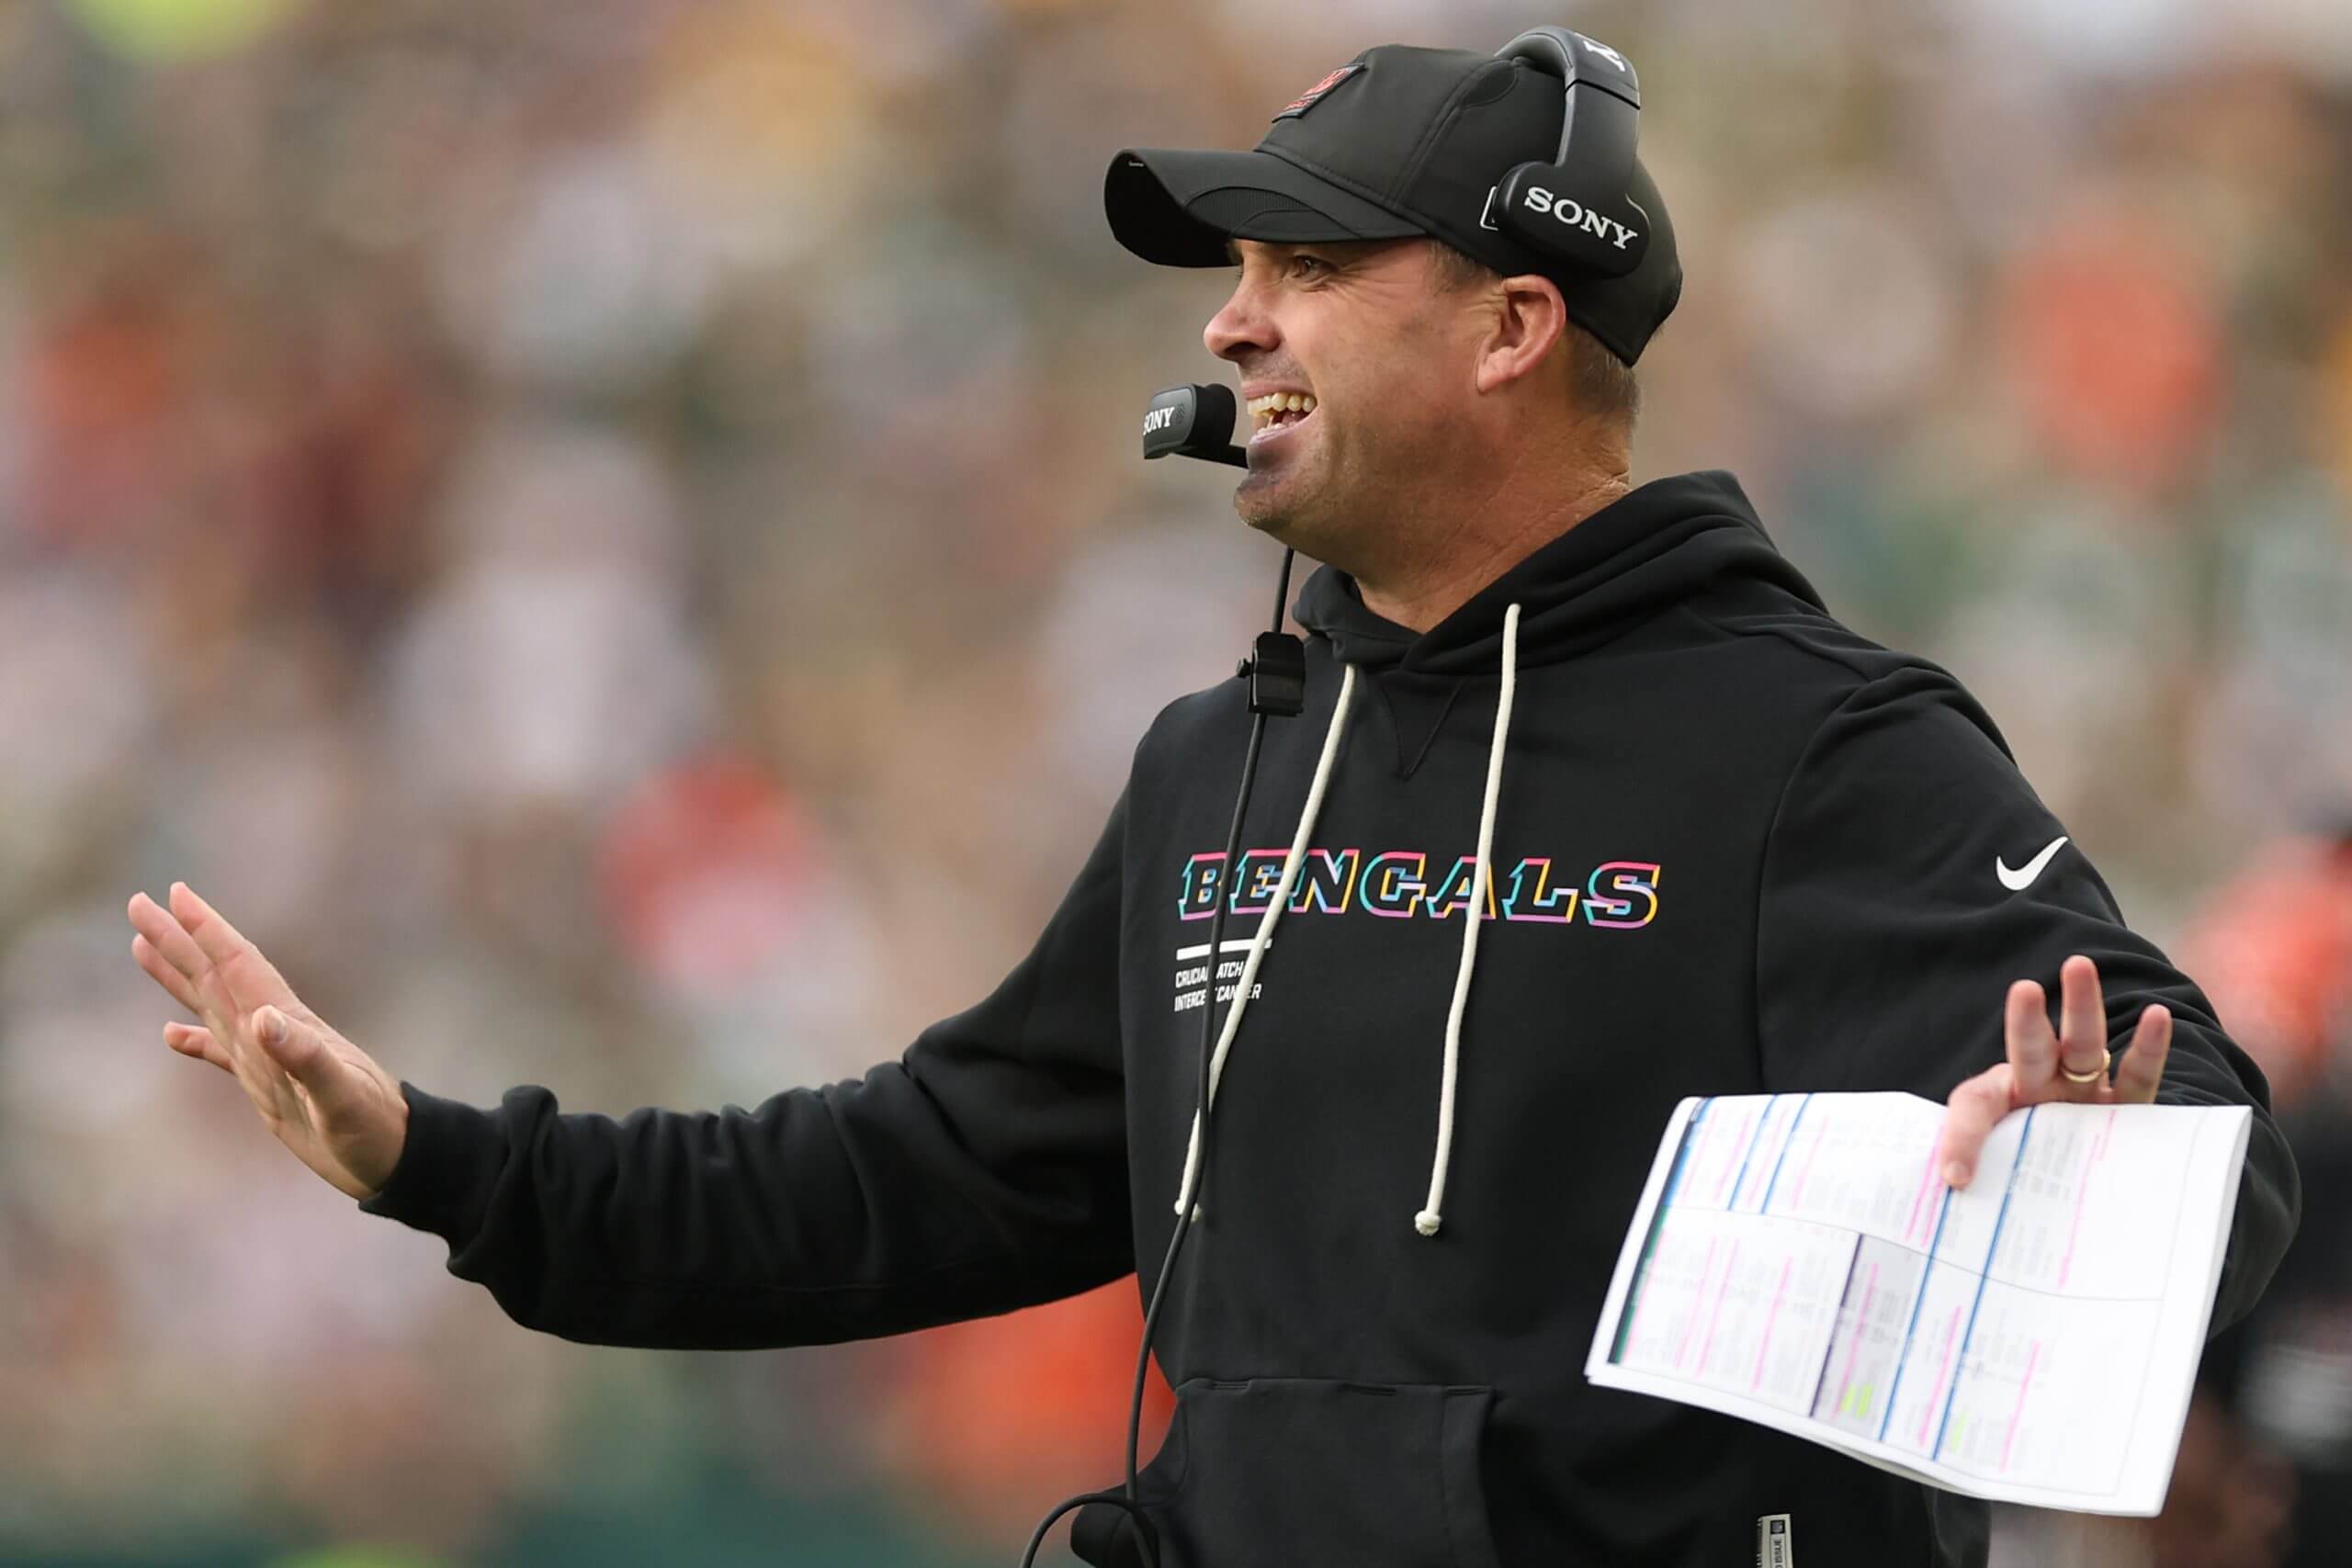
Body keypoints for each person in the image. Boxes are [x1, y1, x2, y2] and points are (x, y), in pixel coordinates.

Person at [125, 35, 2298, 1568]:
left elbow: (2188, 1123)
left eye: (1307, 270)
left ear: (1509, 327)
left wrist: (2088, 1154)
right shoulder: (1219, 757)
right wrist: (442, 1162)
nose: (1236, 328)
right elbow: (915, 1173)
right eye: (1237, 276)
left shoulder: (1805, 740)